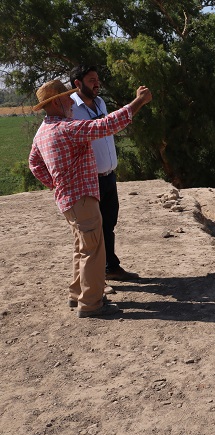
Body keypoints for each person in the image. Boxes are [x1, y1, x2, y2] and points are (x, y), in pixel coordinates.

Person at [29, 79, 152, 318]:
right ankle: (92, 303)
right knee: (94, 251)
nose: (71, 102)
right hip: (82, 199)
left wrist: (56, 184)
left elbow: (34, 164)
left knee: (82, 248)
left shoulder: (42, 131)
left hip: (69, 201)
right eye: (67, 97)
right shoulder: (67, 128)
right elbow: (106, 125)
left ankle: (77, 294)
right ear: (56, 102)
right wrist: (138, 102)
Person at [70, 65, 138, 281]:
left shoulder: (100, 102)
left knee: (108, 224)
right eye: (91, 80)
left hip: (108, 176)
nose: (97, 83)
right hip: (88, 180)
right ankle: (95, 278)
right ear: (77, 83)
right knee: (92, 232)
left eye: (97, 79)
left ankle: (110, 267)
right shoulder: (71, 108)